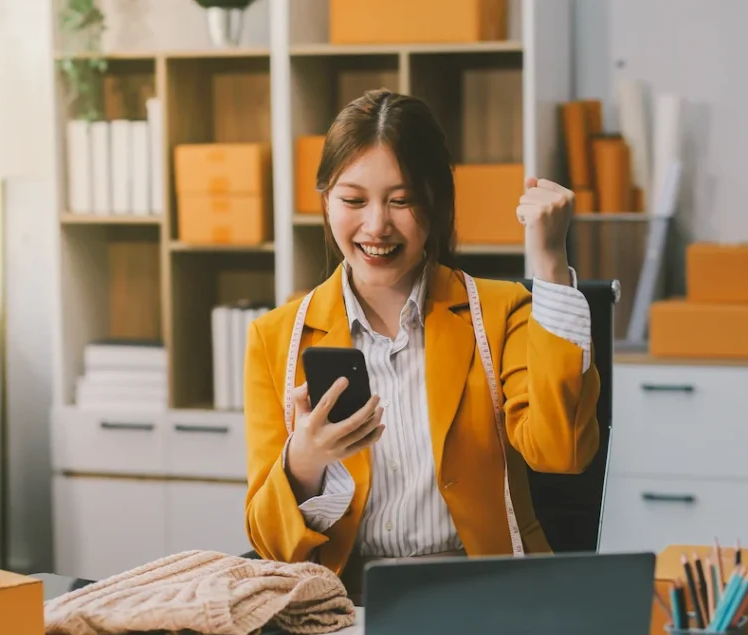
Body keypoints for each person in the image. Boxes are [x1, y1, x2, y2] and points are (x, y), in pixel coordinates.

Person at [243, 88, 600, 601]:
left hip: (487, 596)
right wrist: (304, 461)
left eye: (402, 200)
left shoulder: (500, 314)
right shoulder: (276, 337)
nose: (376, 226)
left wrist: (548, 262)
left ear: (436, 201)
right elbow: (272, 547)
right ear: (325, 201)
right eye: (352, 200)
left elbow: (560, 452)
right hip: (344, 608)